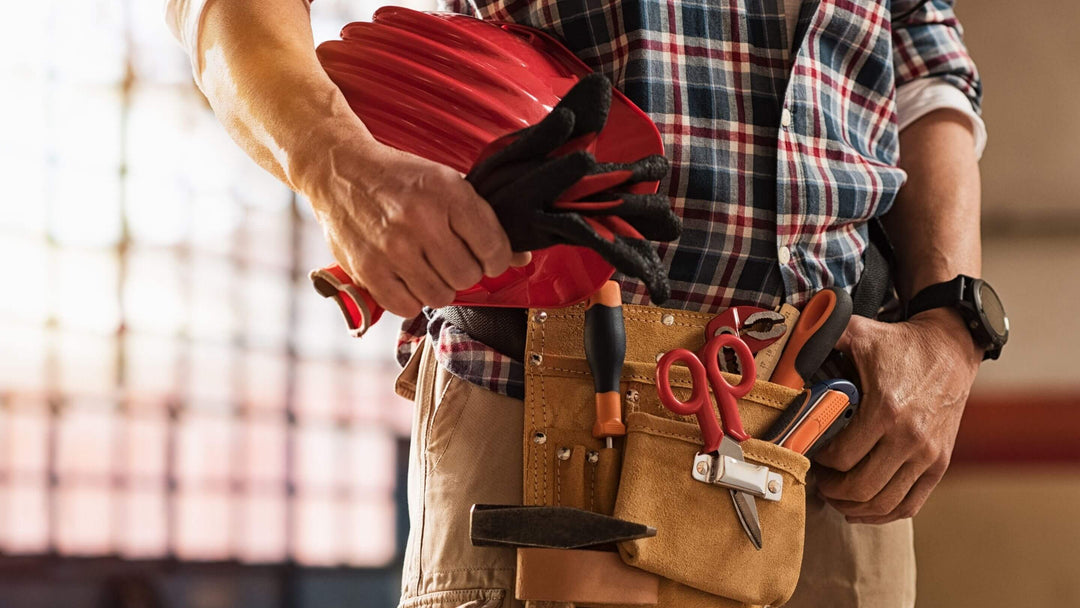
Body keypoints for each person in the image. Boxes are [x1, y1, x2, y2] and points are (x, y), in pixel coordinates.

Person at [165, 0, 990, 606]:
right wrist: (336, 165)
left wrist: (953, 324)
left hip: (833, 446)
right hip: (539, 422)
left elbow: (925, 60)